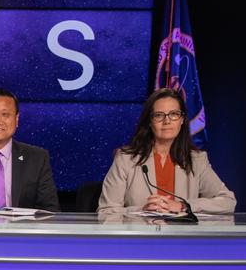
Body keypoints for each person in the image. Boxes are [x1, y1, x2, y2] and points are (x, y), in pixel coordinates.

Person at [98, 88, 235, 215]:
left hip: (181, 233)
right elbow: (106, 211)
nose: (167, 121)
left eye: (174, 114)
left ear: (182, 120)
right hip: (141, 233)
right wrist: (142, 210)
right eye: (159, 115)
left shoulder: (196, 160)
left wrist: (183, 206)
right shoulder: (125, 159)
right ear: (149, 121)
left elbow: (228, 201)